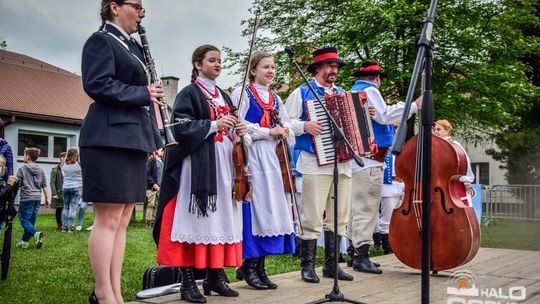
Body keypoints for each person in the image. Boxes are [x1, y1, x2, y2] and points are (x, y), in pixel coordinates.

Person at [80, 1, 163, 303]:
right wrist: (144, 92)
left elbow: (143, 104)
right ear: (114, 7)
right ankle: (103, 294)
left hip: (131, 138)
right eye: (137, 6)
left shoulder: (134, 48)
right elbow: (96, 84)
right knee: (108, 219)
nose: (142, 13)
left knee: (124, 218)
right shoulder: (100, 40)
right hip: (107, 138)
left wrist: (153, 137)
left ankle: (114, 291)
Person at [154, 45, 246, 303]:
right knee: (194, 222)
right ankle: (187, 282)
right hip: (196, 167)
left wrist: (237, 129)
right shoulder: (189, 93)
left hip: (223, 166)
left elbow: (230, 128)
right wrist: (215, 124)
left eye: (220, 61)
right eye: (212, 60)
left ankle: (215, 276)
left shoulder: (224, 96)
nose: (218, 64)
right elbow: (179, 127)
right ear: (198, 64)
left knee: (219, 222)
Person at [285, 46, 353, 283]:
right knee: (312, 215)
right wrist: (305, 126)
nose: (334, 70)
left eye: (336, 66)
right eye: (330, 66)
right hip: (314, 161)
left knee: (339, 215)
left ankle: (332, 266)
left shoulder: (344, 92)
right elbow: (285, 122)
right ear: (317, 68)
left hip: (342, 163)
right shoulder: (302, 92)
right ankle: (308, 266)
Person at [347, 61, 421, 274]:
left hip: (356, 158)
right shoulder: (370, 90)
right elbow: (385, 115)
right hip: (370, 158)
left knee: (357, 208)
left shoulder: (355, 91)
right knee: (367, 208)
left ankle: (354, 252)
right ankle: (361, 255)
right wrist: (413, 106)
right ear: (377, 78)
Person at [230, 51, 296, 290]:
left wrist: (286, 129)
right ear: (253, 70)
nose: (270, 71)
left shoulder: (275, 99)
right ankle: (249, 263)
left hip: (274, 159)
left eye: (273, 67)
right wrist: (269, 132)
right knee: (256, 209)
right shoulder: (242, 93)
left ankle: (260, 266)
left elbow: (287, 122)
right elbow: (240, 124)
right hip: (253, 157)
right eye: (265, 67)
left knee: (272, 210)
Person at [432, 119, 475, 205]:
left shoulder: (454, 145)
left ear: (447, 131)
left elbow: (465, 163)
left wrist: (466, 181)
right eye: (435, 129)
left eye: (439, 129)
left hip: (452, 185)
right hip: (436, 185)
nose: (436, 131)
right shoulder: (434, 146)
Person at [16, 147, 49, 249]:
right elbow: (44, 185)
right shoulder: (41, 169)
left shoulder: (21, 169)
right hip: (37, 198)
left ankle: (36, 233)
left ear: (28, 157)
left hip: (26, 198)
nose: (23, 157)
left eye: (24, 154)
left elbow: (18, 184)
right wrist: (48, 198)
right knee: (30, 221)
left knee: (23, 219)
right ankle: (24, 242)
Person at [372, 152, 404, 255]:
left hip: (402, 186)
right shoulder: (384, 150)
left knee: (399, 219)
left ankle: (398, 244)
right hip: (388, 187)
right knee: (387, 218)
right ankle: (387, 247)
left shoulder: (401, 150)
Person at [61, 147, 83, 232]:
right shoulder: (80, 164)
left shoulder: (63, 164)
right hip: (77, 187)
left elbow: (63, 175)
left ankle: (63, 227)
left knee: (66, 207)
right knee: (73, 208)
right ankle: (71, 227)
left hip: (66, 187)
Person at [145, 147, 163, 228]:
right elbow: (147, 173)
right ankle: (148, 222)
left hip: (160, 186)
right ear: (156, 151)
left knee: (157, 205)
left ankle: (154, 221)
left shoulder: (162, 162)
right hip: (153, 187)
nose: (163, 152)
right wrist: (153, 184)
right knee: (151, 204)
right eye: (161, 150)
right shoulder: (151, 160)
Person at [51, 152, 67, 231]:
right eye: (64, 157)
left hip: (68, 191)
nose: (66, 159)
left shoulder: (71, 168)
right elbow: (52, 182)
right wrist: (54, 193)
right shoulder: (55, 170)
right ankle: (59, 225)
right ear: (61, 158)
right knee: (59, 209)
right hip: (59, 192)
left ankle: (66, 224)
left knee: (68, 209)